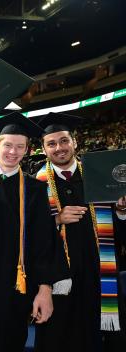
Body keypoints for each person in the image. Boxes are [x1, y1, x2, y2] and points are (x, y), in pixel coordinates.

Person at [0, 112, 69, 352]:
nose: (13, 152)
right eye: (8, 145)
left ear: (28, 150)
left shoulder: (35, 190)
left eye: (20, 147)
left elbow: (45, 243)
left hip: (15, 289)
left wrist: (45, 290)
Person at [33, 112, 126, 352]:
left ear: (75, 142)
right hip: (60, 280)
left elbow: (121, 233)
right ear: (43, 149)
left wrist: (122, 212)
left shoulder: (100, 177)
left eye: (64, 140)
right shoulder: (35, 186)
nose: (59, 148)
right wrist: (55, 219)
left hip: (100, 274)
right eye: (51, 143)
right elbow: (27, 236)